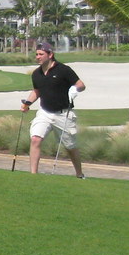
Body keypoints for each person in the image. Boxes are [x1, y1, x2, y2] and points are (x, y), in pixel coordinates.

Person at [20, 41, 86, 177]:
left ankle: (79, 174)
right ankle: (33, 175)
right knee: (35, 139)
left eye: (41, 54)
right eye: (36, 54)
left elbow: (81, 85)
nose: (37, 57)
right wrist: (27, 103)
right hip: (45, 112)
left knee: (70, 147)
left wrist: (75, 89)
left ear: (50, 55)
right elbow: (37, 91)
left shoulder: (64, 70)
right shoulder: (36, 74)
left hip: (63, 114)